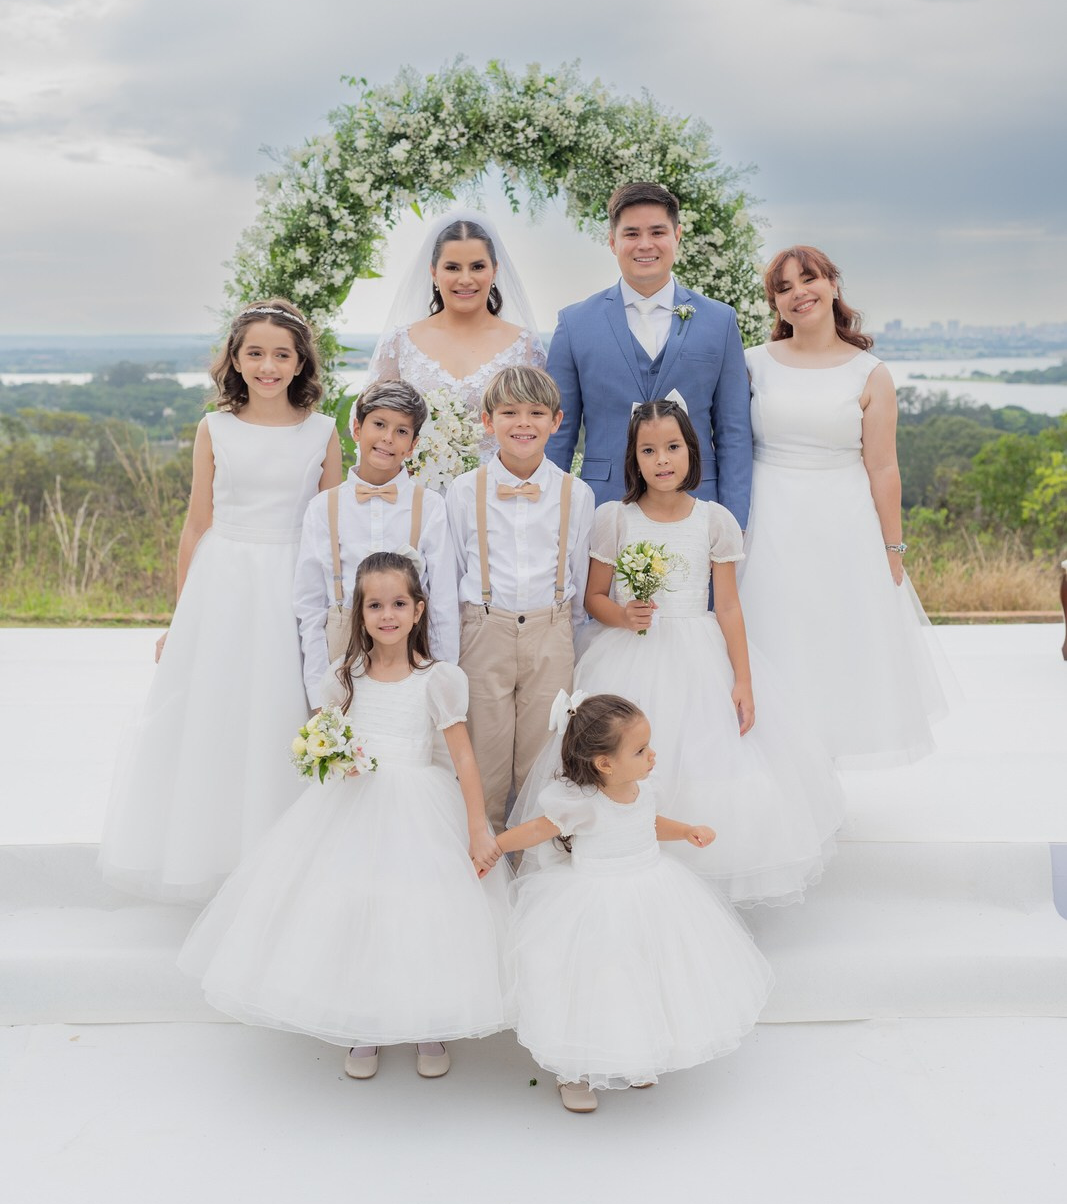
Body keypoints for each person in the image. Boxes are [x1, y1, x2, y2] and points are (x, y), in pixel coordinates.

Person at [179, 551, 509, 1081]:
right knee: (358, 904)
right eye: (375, 605)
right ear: (360, 612)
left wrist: (476, 828)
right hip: (354, 808)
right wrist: (336, 763)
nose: (387, 615)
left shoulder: (439, 679)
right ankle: (362, 1022)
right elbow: (327, 745)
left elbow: (464, 756)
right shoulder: (344, 677)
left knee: (422, 908)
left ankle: (429, 1019)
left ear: (419, 610)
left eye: (399, 603)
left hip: (421, 807)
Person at [511, 400, 843, 906]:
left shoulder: (713, 520)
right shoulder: (614, 519)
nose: (662, 459)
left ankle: (697, 880)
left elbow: (728, 608)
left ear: (691, 451)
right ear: (634, 458)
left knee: (705, 760)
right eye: (648, 450)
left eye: (672, 447)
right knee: (622, 759)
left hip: (698, 654)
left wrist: (743, 680)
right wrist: (625, 615)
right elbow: (594, 598)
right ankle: (627, 865)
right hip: (629, 654)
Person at [99, 300, 342, 904]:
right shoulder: (216, 427)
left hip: (293, 578)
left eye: (281, 354)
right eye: (254, 353)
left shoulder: (323, 430)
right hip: (226, 580)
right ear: (235, 360)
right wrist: (180, 617)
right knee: (220, 712)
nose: (267, 366)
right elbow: (195, 524)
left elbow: (334, 526)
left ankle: (280, 860)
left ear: (299, 362)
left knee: (282, 711)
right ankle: (212, 854)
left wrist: (338, 613)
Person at [497, 693, 773, 1113]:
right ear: (604, 763)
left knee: (647, 974)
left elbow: (648, 822)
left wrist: (685, 831)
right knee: (594, 983)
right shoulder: (581, 803)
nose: (652, 755)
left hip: (652, 892)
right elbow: (536, 830)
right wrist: (493, 847)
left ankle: (636, 1051)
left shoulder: (642, 790)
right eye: (641, 750)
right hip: (596, 901)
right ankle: (576, 1069)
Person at [740, 245, 949, 766]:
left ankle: (824, 773)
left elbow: (882, 468)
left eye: (808, 280)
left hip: (842, 525)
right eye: (783, 289)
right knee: (775, 642)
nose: (798, 294)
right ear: (775, 306)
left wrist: (892, 549)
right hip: (768, 521)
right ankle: (781, 768)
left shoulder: (870, 373)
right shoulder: (751, 365)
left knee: (835, 648)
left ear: (833, 285)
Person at [546, 181, 753, 521]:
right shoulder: (574, 324)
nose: (645, 244)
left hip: (699, 505)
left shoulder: (719, 320)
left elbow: (734, 432)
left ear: (678, 236)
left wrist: (735, 521)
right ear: (612, 241)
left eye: (657, 232)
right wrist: (551, 517)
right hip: (604, 506)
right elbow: (558, 433)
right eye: (631, 234)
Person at [446, 365, 594, 832]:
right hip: (483, 631)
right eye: (509, 412)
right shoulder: (464, 491)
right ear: (488, 422)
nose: (523, 423)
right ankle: (484, 862)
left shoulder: (577, 493)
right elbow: (452, 577)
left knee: (542, 759)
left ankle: (534, 866)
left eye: (536, 412)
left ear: (557, 420)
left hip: (552, 634)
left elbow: (580, 579)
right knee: (484, 757)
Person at [293, 379, 460, 703]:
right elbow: (310, 607)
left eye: (401, 431)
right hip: (340, 648)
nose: (388, 438)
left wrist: (443, 678)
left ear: (412, 445)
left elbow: (441, 602)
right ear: (357, 428)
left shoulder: (430, 506)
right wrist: (318, 694)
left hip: (412, 651)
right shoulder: (323, 508)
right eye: (379, 424)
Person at [369, 211, 546, 468]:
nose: (465, 279)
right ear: (433, 272)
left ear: (494, 270)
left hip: (498, 495)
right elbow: (372, 422)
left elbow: (542, 430)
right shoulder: (400, 343)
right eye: (452, 267)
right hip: (417, 495)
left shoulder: (525, 346)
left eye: (477, 266)